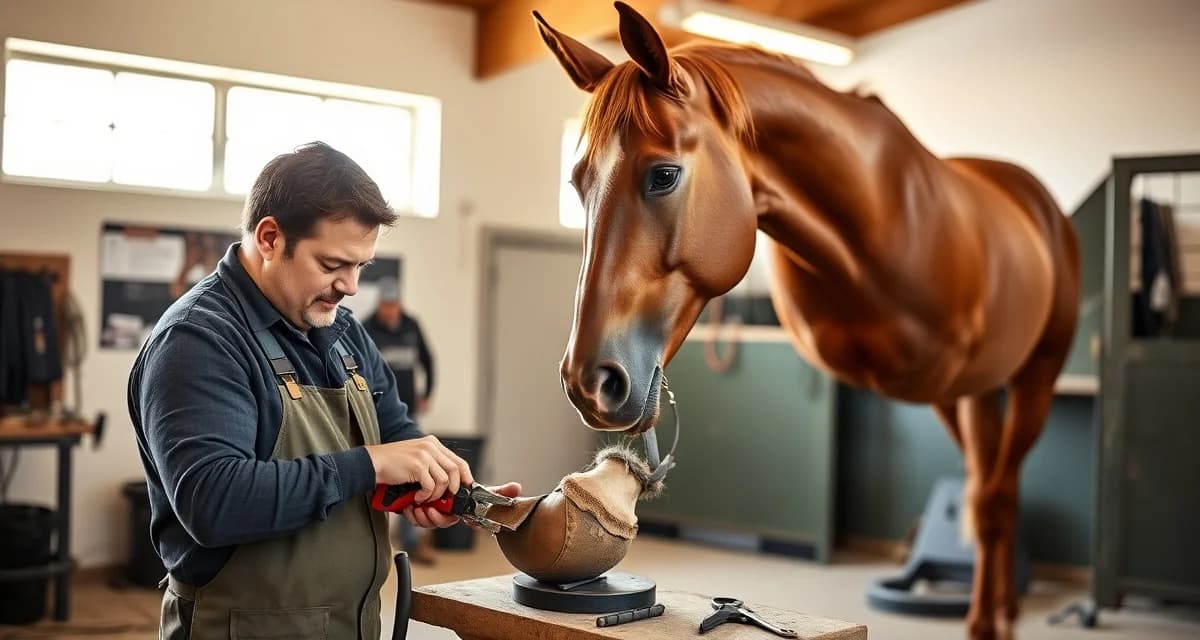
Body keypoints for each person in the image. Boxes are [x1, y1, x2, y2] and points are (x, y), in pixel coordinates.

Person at [127, 141, 519, 640]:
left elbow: (396, 434)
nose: (351, 286)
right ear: (270, 238)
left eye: (361, 266)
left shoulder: (344, 332)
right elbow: (215, 502)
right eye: (333, 265)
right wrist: (370, 465)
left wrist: (447, 488)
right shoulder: (198, 340)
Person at [362, 278, 439, 564]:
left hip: (407, 413)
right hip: (374, 414)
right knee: (374, 473)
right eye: (386, 304)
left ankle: (411, 542)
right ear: (379, 304)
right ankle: (370, 540)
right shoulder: (366, 329)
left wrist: (427, 393)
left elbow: (428, 359)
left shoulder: (411, 325)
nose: (390, 310)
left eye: (394, 304)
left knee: (412, 476)